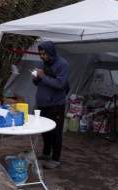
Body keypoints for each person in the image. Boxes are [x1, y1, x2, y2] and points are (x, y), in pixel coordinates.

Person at [32, 41, 69, 169]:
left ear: (51, 53)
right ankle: (46, 153)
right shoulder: (44, 63)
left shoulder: (62, 64)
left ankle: (55, 159)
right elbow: (39, 83)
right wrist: (36, 78)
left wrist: (42, 76)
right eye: (40, 54)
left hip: (56, 105)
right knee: (45, 131)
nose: (42, 56)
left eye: (44, 54)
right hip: (43, 104)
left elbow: (60, 84)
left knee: (56, 132)